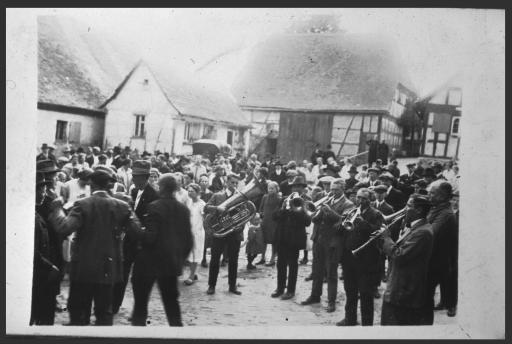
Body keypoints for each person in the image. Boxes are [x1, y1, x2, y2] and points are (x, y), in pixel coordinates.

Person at [47, 168, 141, 325]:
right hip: (109, 268)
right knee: (104, 313)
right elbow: (137, 232)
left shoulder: (83, 204)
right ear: (108, 185)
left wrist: (57, 208)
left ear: (91, 184)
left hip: (84, 267)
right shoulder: (122, 206)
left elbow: (64, 228)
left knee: (79, 311)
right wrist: (129, 209)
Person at [131, 174, 193, 326]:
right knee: (172, 304)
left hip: (148, 264)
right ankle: (177, 336)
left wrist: (134, 224)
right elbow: (189, 241)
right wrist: (179, 259)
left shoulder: (154, 206)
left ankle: (136, 336)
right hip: (171, 264)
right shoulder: (183, 209)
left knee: (140, 305)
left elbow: (150, 238)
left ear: (162, 187)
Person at [377, 194, 434, 325]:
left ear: (419, 210)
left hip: (404, 292)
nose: (404, 210)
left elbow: (399, 256)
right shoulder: (413, 227)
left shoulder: (423, 232)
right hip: (397, 286)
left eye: (408, 206)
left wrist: (386, 238)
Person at [301, 179, 355, 312]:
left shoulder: (348, 204)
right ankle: (315, 296)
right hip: (319, 240)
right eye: (332, 189)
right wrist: (317, 212)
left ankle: (331, 301)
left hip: (333, 243)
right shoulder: (327, 200)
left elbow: (342, 223)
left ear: (343, 189)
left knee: (331, 273)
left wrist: (329, 211)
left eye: (336, 189)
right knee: (317, 271)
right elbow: (314, 219)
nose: (333, 192)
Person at [112, 160, 159, 315]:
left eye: (136, 176)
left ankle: (139, 312)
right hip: (129, 242)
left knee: (139, 280)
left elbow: (151, 223)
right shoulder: (133, 191)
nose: (133, 179)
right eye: (133, 175)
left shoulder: (154, 196)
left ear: (145, 177)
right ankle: (114, 306)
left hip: (143, 245)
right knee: (121, 274)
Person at [336, 188, 383, 326]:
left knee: (365, 294)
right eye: (358, 197)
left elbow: (377, 233)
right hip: (349, 258)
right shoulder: (350, 211)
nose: (360, 201)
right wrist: (343, 222)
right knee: (350, 291)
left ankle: (367, 324)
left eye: (364, 198)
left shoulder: (376, 214)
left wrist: (362, 222)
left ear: (370, 200)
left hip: (366, 260)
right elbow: (339, 231)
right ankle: (350, 319)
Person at [271, 176, 312, 300]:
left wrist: (297, 210)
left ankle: (290, 291)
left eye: (299, 187)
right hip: (282, 236)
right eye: (294, 186)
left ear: (303, 188)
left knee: (293, 264)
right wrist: (284, 208)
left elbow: (307, 222)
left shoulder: (307, 201)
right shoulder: (284, 199)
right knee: (281, 263)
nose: (296, 189)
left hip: (295, 238)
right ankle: (280, 288)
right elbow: (274, 216)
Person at [205, 173, 245, 295]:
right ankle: (211, 285)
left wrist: (240, 226)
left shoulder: (240, 197)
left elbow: (245, 214)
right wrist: (217, 208)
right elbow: (206, 208)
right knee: (215, 259)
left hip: (234, 233)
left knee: (234, 260)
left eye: (236, 183)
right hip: (219, 232)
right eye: (232, 182)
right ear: (227, 182)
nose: (234, 185)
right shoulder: (217, 195)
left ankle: (232, 286)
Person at [425, 181, 458, 321]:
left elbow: (430, 233)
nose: (428, 195)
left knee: (427, 297)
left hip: (438, 261)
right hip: (433, 258)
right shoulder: (436, 208)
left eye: (432, 193)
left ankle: (449, 305)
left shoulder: (446, 214)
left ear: (443, 196)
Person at [31, 173, 60, 325]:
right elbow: (31, 251)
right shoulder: (30, 216)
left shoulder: (35, 212)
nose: (43, 194)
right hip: (39, 273)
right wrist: (50, 267)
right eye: (40, 191)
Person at [183, 183, 206, 285]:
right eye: (188, 191)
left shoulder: (202, 204)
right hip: (188, 231)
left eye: (192, 191)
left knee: (195, 255)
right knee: (189, 255)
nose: (189, 192)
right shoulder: (188, 202)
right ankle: (193, 273)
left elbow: (205, 218)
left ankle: (191, 276)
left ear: (197, 192)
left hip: (197, 232)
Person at [257, 181, 281, 266]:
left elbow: (279, 211)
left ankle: (272, 259)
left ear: (277, 189)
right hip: (265, 221)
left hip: (274, 222)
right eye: (269, 188)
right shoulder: (265, 197)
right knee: (263, 240)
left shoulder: (279, 198)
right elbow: (261, 208)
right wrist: (261, 214)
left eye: (272, 188)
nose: (270, 190)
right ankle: (263, 258)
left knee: (274, 241)